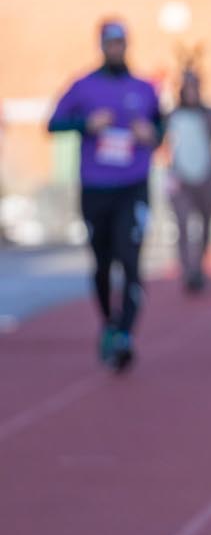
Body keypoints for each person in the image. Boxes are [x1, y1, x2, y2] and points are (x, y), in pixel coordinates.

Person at [47, 19, 163, 371]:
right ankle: (108, 323)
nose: (116, 48)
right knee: (101, 263)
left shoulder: (144, 88)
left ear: (127, 45)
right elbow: (53, 123)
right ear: (101, 46)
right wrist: (85, 124)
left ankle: (124, 332)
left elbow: (162, 127)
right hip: (96, 187)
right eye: (110, 43)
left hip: (133, 185)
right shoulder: (83, 86)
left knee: (129, 259)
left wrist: (151, 134)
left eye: (120, 42)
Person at [164, 68, 211, 294]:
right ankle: (188, 270)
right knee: (182, 224)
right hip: (181, 178)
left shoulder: (207, 114)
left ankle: (200, 264)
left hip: (205, 177)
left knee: (205, 224)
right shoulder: (172, 116)